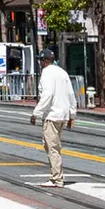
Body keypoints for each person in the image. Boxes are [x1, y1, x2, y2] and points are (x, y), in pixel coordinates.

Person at [30, 58, 79, 187]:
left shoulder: (46, 73)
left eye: (40, 60)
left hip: (52, 115)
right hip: (63, 115)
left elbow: (47, 94)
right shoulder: (62, 72)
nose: (39, 63)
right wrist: (72, 114)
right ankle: (57, 176)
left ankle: (56, 179)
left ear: (45, 61)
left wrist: (36, 113)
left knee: (52, 147)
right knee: (53, 145)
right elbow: (71, 94)